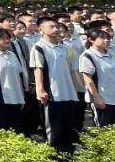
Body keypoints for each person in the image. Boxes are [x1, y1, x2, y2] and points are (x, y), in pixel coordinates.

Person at [30, 15, 80, 154]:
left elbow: (71, 70)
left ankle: (68, 154)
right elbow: (38, 69)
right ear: (41, 30)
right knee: (53, 127)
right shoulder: (39, 48)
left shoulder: (64, 47)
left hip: (67, 93)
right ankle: (55, 155)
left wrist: (75, 89)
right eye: (51, 27)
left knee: (68, 125)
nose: (55, 29)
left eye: (56, 26)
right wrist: (40, 89)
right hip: (52, 93)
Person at [79, 28, 115, 127]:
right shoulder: (88, 56)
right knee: (104, 130)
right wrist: (96, 97)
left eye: (108, 38)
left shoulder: (113, 55)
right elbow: (88, 79)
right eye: (102, 38)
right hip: (103, 99)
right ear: (91, 40)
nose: (106, 40)